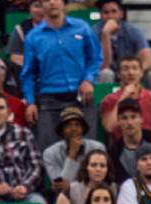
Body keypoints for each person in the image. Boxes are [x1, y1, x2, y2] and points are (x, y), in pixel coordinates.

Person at [20, 0, 101, 151]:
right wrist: (30, 102)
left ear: (64, 3)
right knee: (49, 151)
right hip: (49, 101)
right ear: (42, 5)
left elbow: (95, 58)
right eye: (46, 0)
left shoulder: (82, 27)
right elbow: (28, 73)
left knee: (88, 150)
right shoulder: (33, 37)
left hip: (81, 97)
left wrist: (89, 80)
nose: (51, 2)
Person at [50, 150, 114, 204]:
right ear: (86, 168)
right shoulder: (72, 190)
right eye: (93, 165)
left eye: (102, 166)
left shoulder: (114, 189)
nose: (98, 169)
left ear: (108, 169)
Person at [100, 56, 151, 138]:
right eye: (125, 69)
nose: (131, 73)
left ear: (141, 73)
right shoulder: (109, 99)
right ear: (118, 74)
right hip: (121, 147)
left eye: (135, 68)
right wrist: (122, 98)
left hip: (149, 145)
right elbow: (109, 128)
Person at [42, 106, 106, 195]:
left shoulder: (98, 147)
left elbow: (101, 179)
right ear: (62, 130)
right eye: (68, 125)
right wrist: (72, 154)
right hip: (66, 198)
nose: (73, 129)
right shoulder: (50, 153)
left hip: (95, 194)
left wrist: (73, 186)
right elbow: (61, 187)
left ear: (83, 129)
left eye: (77, 125)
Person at [94, 0, 151, 87]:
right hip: (106, 74)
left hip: (128, 72)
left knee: (150, 76)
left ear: (121, 14)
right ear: (101, 15)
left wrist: (135, 72)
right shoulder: (93, 33)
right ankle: (106, 100)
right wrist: (105, 35)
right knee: (106, 73)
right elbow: (104, 66)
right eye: (106, 12)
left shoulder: (133, 30)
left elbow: (149, 61)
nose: (110, 16)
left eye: (114, 11)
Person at [6, 0, 45, 69]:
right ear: (29, 9)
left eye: (44, 6)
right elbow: (16, 59)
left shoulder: (62, 28)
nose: (41, 10)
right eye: (37, 6)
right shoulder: (20, 30)